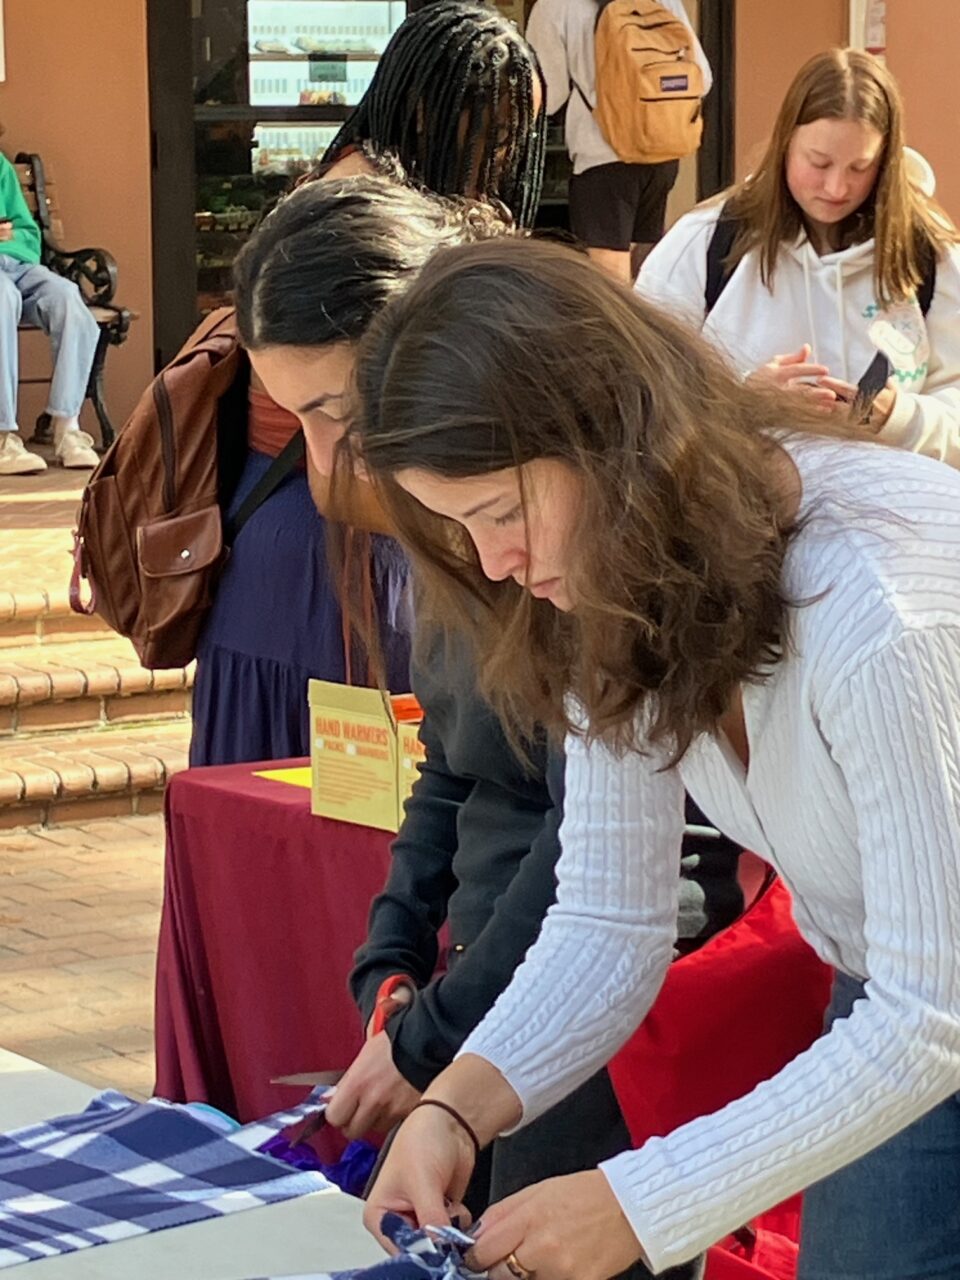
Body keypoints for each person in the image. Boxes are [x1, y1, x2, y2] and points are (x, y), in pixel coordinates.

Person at [345, 234, 960, 1280]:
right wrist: (460, 1100)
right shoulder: (616, 585)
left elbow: (927, 1012)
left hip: (920, 1002)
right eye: (460, 530)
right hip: (907, 995)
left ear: (610, 438)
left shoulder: (881, 615)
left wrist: (642, 1199)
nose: (494, 562)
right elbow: (609, 914)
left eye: (501, 512)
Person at [236, 170, 741, 1280]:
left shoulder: (589, 543)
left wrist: (438, 1045)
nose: (326, 461)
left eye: (335, 412)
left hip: (594, 1015)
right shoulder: (463, 526)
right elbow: (455, 768)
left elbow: (605, 879)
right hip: (515, 993)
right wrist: (395, 969)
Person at [188, 0, 548, 766]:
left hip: (284, 535)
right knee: (336, 797)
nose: (510, 149)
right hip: (339, 537)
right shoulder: (388, 216)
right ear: (447, 111)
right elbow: (345, 452)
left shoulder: (337, 176)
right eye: (501, 124)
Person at [638, 47, 960, 468]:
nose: (837, 187)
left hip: (888, 513)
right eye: (819, 162)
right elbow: (636, 389)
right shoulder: (705, 240)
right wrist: (745, 400)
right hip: (747, 514)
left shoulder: (929, 254)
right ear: (785, 143)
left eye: (860, 167)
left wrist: (899, 418)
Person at [525, 0, 710, 282]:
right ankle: (647, 324)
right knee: (648, 266)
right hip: (663, 151)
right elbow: (702, 78)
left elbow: (548, 95)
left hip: (602, 156)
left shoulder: (555, 6)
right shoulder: (662, 0)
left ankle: (619, 328)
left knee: (608, 276)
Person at [0, 150, 99, 474]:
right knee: (2, 298)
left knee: (68, 298)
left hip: (18, 265)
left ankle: (67, 427)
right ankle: (3, 437)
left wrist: (12, 236)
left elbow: (25, 232)